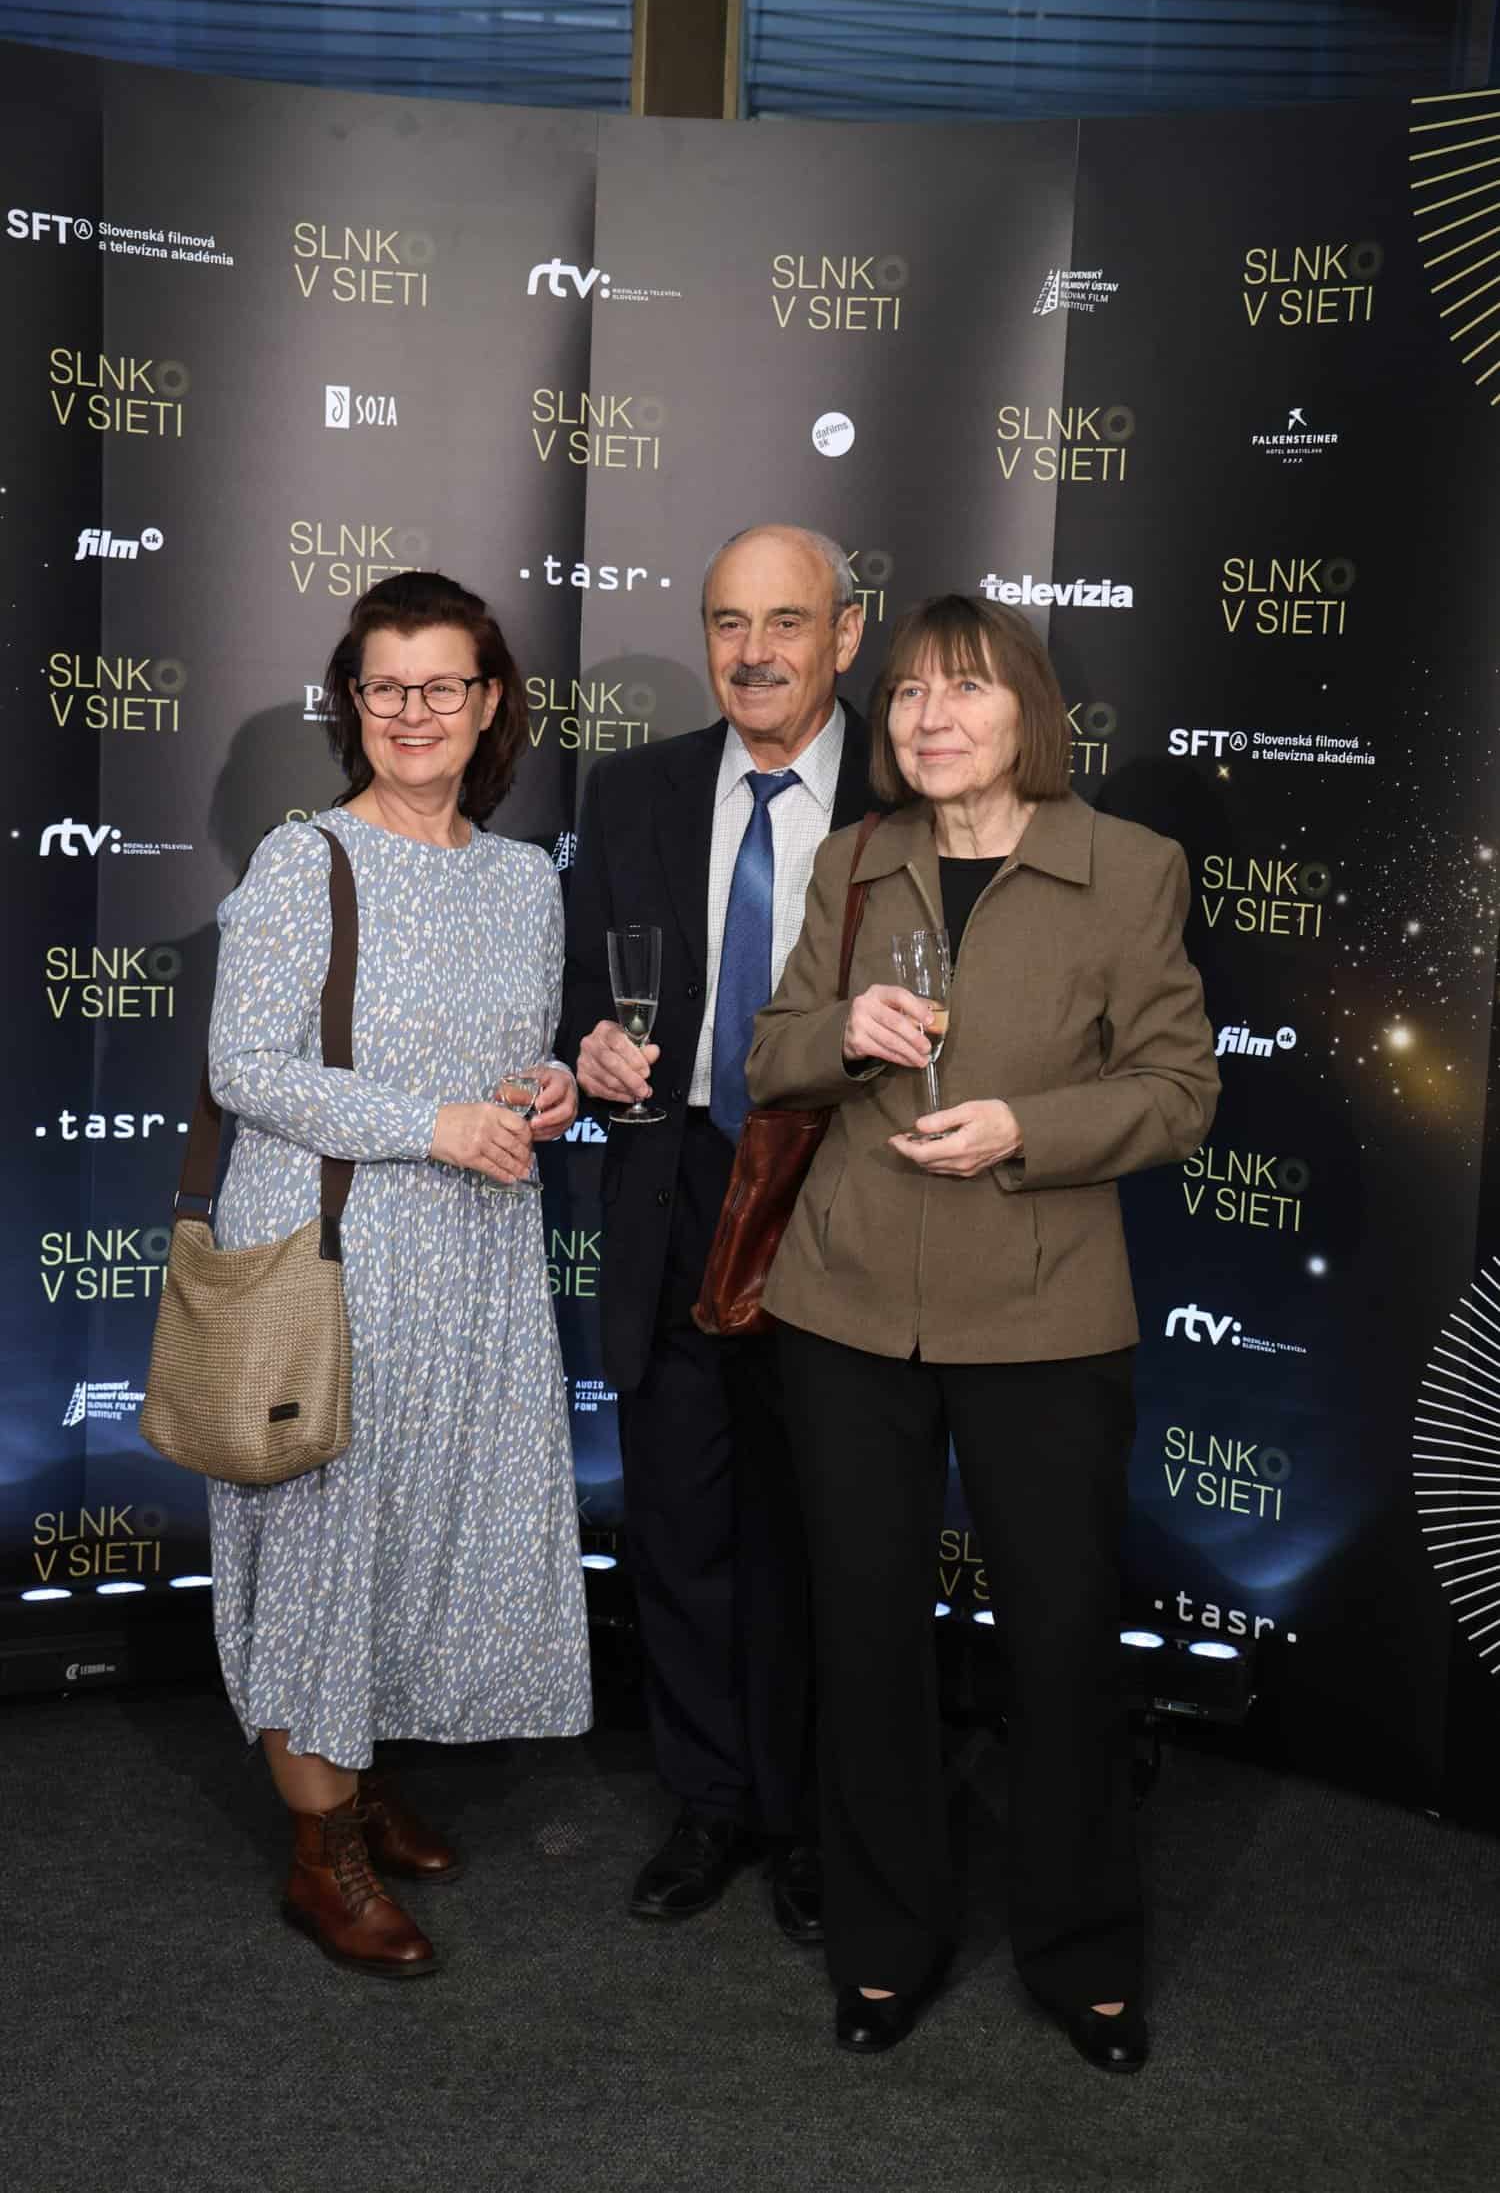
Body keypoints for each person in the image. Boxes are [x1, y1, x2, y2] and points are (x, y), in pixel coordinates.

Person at [745, 592, 1219, 2066]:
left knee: (1065, 1641)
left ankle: (1084, 1952)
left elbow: (1180, 1090)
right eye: (906, 695)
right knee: (865, 1633)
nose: (929, 718)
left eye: (964, 690)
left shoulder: (1128, 867)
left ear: (1029, 711)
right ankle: (885, 1944)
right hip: (844, 1304)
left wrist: (1028, 1126)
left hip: (1044, 1310)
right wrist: (843, 1034)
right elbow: (769, 1054)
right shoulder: (854, 858)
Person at [206, 570, 591, 1978]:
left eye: (443, 686)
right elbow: (245, 1068)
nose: (414, 712)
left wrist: (547, 1089)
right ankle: (324, 1856)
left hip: (472, 1258)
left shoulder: (523, 878)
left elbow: (513, 1055)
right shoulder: (304, 861)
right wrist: (434, 1122)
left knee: (416, 1530)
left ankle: (355, 1784)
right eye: (386, 686)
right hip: (334, 1257)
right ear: (351, 701)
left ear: (489, 705)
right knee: (322, 1542)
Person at [561, 525, 871, 1938]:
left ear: (845, 637)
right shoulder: (633, 791)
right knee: (681, 1521)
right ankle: (709, 1799)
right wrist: (590, 1045)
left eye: (786, 622)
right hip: (678, 1187)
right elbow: (580, 988)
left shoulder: (912, 793)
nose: (754, 654)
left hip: (842, 1193)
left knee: (822, 1528)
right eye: (728, 623)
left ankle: (811, 1816)